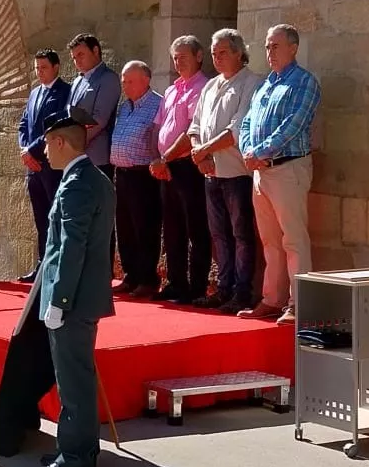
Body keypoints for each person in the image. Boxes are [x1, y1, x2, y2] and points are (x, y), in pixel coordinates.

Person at [31, 107, 116, 467]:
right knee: (77, 376)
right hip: (83, 296)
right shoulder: (92, 178)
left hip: (74, 299)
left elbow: (72, 246)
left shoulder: (78, 183)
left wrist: (59, 301)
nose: (44, 150)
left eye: (48, 143)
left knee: (73, 381)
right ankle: (79, 446)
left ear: (61, 142)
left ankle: (76, 456)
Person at [238, 24, 321, 326]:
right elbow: (246, 122)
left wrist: (258, 152)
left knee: (294, 238)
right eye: (267, 46)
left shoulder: (304, 82)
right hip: (262, 171)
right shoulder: (265, 85)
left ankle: (300, 304)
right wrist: (248, 149)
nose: (269, 52)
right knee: (269, 240)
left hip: (287, 168)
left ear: (293, 48)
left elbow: (294, 124)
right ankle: (272, 299)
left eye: (275, 46)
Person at [186, 29, 262, 313]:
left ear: (239, 53)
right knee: (219, 234)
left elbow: (237, 128)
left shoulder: (251, 83)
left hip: (236, 172)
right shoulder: (210, 86)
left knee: (241, 233)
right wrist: (198, 153)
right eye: (214, 54)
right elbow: (194, 126)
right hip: (210, 171)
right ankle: (223, 287)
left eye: (223, 53)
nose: (217, 59)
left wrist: (203, 150)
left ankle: (242, 291)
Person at [148, 36, 213, 305]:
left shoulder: (203, 88)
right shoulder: (172, 89)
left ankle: (196, 287)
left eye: (183, 56)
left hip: (187, 165)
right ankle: (175, 282)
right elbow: (156, 127)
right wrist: (156, 158)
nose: (178, 62)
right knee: (172, 227)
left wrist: (165, 157)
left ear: (199, 56)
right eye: (175, 57)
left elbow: (191, 132)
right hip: (166, 164)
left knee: (195, 227)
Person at [16, 50, 72, 283]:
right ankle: (42, 264)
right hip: (33, 166)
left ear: (56, 67)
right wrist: (24, 149)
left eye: (44, 68)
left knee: (55, 215)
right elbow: (23, 124)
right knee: (40, 218)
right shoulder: (34, 93)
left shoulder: (65, 93)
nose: (39, 73)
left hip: (52, 164)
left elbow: (57, 125)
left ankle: (58, 264)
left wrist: (34, 150)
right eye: (37, 68)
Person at [109, 60, 164, 298]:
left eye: (130, 80)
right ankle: (130, 276)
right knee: (125, 228)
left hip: (143, 175)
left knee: (145, 227)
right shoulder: (125, 106)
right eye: (123, 80)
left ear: (146, 80)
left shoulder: (157, 104)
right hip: (121, 174)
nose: (125, 84)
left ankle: (148, 278)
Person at [65, 34, 121, 179]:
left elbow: (100, 119)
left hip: (96, 157)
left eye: (81, 55)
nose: (77, 61)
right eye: (74, 58)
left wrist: (76, 145)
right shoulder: (78, 80)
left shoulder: (108, 78)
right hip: (75, 157)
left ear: (95, 51)